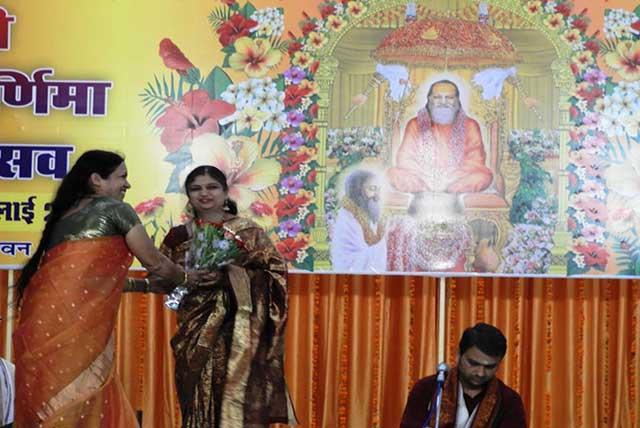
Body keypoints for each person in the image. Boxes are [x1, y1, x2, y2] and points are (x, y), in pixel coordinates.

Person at [13, 150, 196, 428]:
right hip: (71, 327)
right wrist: (191, 281)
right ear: (97, 180)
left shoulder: (64, 216)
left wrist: (144, 286)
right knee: (79, 399)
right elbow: (155, 261)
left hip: (40, 322)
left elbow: (87, 283)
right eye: (122, 177)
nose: (127, 184)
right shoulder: (115, 210)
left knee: (52, 402)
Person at [155, 165, 298, 428]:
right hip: (193, 329)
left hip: (237, 329)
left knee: (234, 393)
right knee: (195, 395)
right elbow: (161, 280)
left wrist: (230, 275)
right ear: (188, 194)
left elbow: (275, 274)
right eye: (196, 188)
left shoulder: (248, 232)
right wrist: (186, 279)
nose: (204, 194)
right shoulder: (177, 236)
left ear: (225, 192)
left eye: (212, 187)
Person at [401, 323, 526, 428]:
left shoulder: (509, 401)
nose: (480, 373)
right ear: (458, 355)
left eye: (489, 367)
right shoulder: (428, 388)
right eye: (473, 363)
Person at [387, 79, 493, 196]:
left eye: (449, 98)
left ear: (457, 100)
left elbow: (475, 160)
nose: (443, 102)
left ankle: (450, 191)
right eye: (437, 97)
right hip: (422, 178)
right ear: (429, 99)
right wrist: (427, 175)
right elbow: (405, 158)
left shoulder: (470, 125)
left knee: (484, 177)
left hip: (457, 179)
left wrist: (452, 176)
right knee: (393, 174)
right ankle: (425, 189)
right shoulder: (415, 124)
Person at [330, 169, 387, 272]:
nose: (377, 196)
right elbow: (348, 259)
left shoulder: (367, 213)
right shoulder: (347, 216)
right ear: (358, 190)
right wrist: (384, 245)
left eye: (378, 189)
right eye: (372, 189)